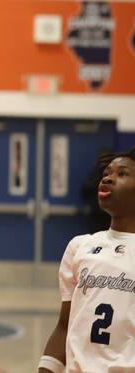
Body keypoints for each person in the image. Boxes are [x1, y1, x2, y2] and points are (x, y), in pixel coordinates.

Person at [39, 148, 135, 373]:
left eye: (122, 174)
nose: (108, 178)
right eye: (106, 173)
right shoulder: (80, 246)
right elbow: (64, 327)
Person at [81, 148, 113, 234]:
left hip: (105, 214)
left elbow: (85, 190)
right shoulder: (96, 173)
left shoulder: (96, 173)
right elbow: (86, 190)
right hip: (100, 213)